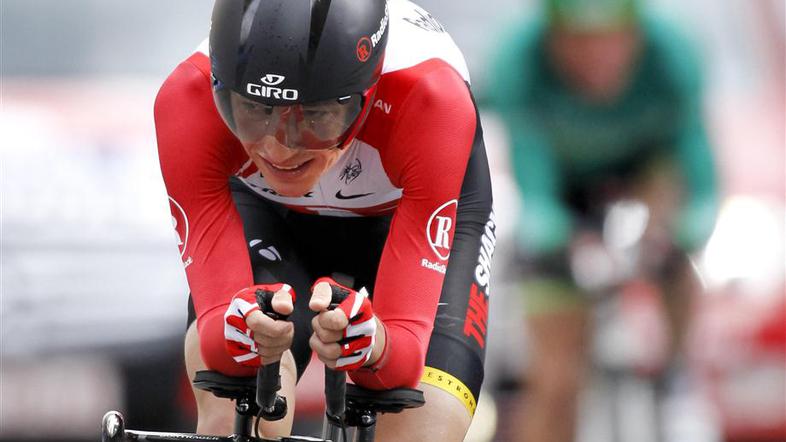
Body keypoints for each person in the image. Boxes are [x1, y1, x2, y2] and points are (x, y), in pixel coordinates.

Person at [153, 0, 494, 440]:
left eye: (314, 117)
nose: (278, 148)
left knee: (424, 423)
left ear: (367, 95)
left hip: (401, 218)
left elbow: (403, 358)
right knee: (234, 410)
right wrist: (246, 339)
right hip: (272, 217)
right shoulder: (188, 99)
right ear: (221, 87)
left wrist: (372, 344)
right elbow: (220, 345)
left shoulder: (429, 98)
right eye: (252, 111)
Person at [485, 0, 719, 441]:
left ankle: (679, 372)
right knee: (555, 381)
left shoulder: (673, 52)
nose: (597, 59)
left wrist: (686, 232)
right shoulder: (519, 59)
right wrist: (552, 235)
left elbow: (697, 166)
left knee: (676, 236)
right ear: (552, 37)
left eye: (611, 42)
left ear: (636, 34)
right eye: (579, 44)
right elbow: (534, 182)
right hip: (564, 189)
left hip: (646, 177)